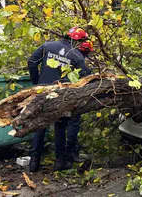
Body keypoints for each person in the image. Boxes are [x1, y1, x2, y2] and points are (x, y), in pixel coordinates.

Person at [27, 27, 93, 172]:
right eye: (81, 41)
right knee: (60, 128)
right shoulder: (77, 56)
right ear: (76, 40)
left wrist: (37, 83)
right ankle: (58, 164)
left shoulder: (47, 46)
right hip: (62, 96)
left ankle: (34, 164)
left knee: (39, 126)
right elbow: (81, 82)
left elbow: (32, 62)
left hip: (42, 92)